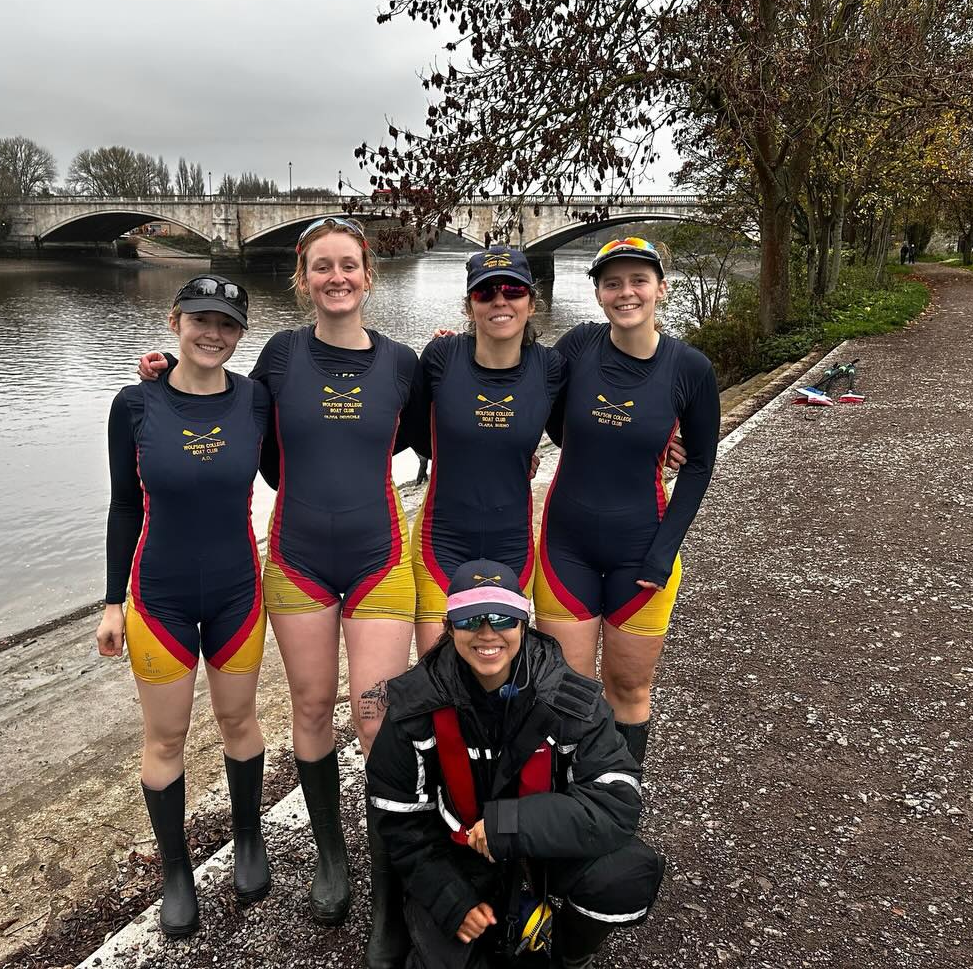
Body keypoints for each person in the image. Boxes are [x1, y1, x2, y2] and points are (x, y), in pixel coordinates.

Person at [139, 217, 419, 960]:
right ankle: (333, 859)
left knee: (376, 718)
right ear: (302, 277)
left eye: (348, 266)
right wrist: (160, 376)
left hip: (380, 557)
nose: (336, 278)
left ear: (368, 275)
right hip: (296, 558)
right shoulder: (281, 355)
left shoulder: (400, 363)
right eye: (321, 266)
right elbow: (229, 416)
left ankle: (390, 894)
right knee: (308, 705)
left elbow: (447, 431)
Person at [367, 559, 664, 968]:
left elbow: (617, 803)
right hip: (456, 856)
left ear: (524, 624)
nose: (487, 633)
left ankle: (566, 954)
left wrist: (512, 825)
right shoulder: (415, 707)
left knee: (624, 874)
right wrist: (450, 900)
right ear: (449, 626)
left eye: (502, 618)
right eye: (471, 620)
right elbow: (399, 824)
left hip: (543, 846)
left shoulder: (569, 699)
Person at [99, 276, 273, 938]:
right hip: (160, 597)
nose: (214, 333)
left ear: (240, 334)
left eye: (228, 324)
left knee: (239, 722)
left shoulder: (256, 399)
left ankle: (249, 841)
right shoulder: (134, 406)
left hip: (236, 592)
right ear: (174, 321)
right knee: (165, 737)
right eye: (201, 319)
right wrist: (111, 602)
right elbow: (123, 506)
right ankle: (176, 873)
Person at [535, 237, 720, 767]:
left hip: (642, 553)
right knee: (566, 694)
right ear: (597, 294)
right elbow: (535, 397)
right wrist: (456, 348)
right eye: (612, 283)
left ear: (661, 288)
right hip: (565, 548)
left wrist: (664, 552)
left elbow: (701, 464)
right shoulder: (577, 347)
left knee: (628, 690)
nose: (626, 293)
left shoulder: (690, 369)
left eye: (639, 280)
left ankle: (619, 808)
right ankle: (569, 807)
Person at [405, 249, 566, 656]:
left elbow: (577, 433)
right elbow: (416, 438)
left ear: (532, 302)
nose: (500, 300)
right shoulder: (441, 357)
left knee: (502, 676)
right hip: (440, 542)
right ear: (469, 304)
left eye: (513, 289)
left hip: (512, 546)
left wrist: (664, 441)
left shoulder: (551, 367)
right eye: (485, 292)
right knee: (438, 677)